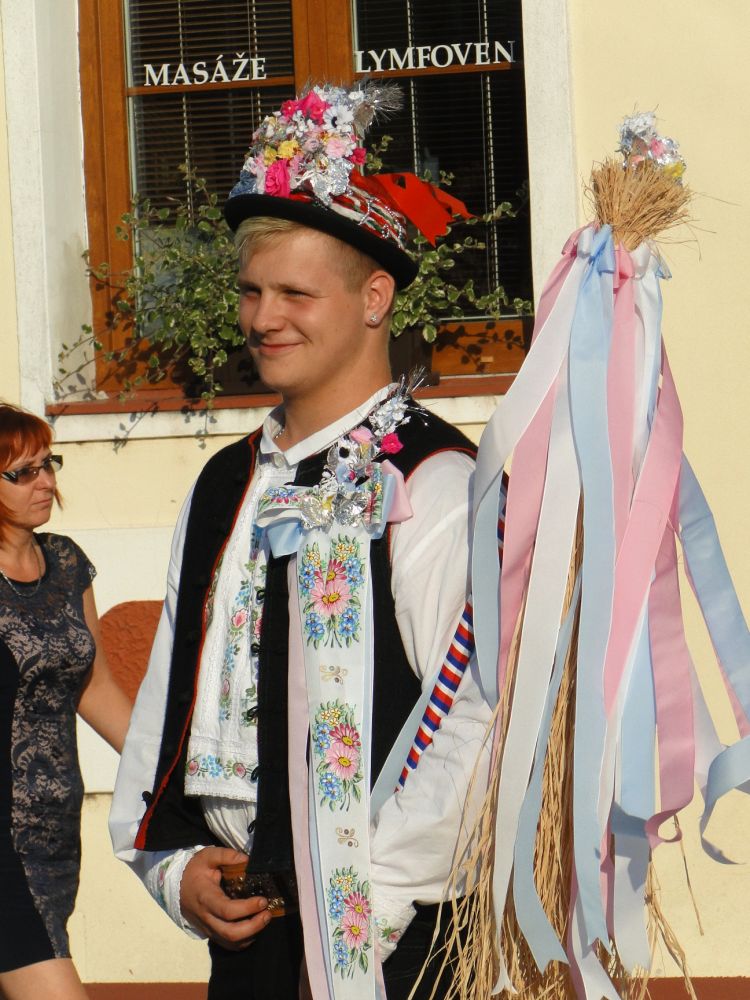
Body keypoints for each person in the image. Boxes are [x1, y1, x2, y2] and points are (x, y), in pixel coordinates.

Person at [110, 82, 490, 1000]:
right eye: (251, 291)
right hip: (248, 938)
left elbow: (482, 718)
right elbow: (169, 693)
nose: (263, 318)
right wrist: (171, 866)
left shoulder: (432, 481)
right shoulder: (226, 483)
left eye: (294, 293)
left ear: (375, 296)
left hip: (394, 944)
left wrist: (367, 898)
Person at [0, 403, 132, 1000]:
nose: (46, 482)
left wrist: (170, 770)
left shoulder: (67, 561)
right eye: (22, 473)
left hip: (55, 834)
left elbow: (95, 686)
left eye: (47, 464)